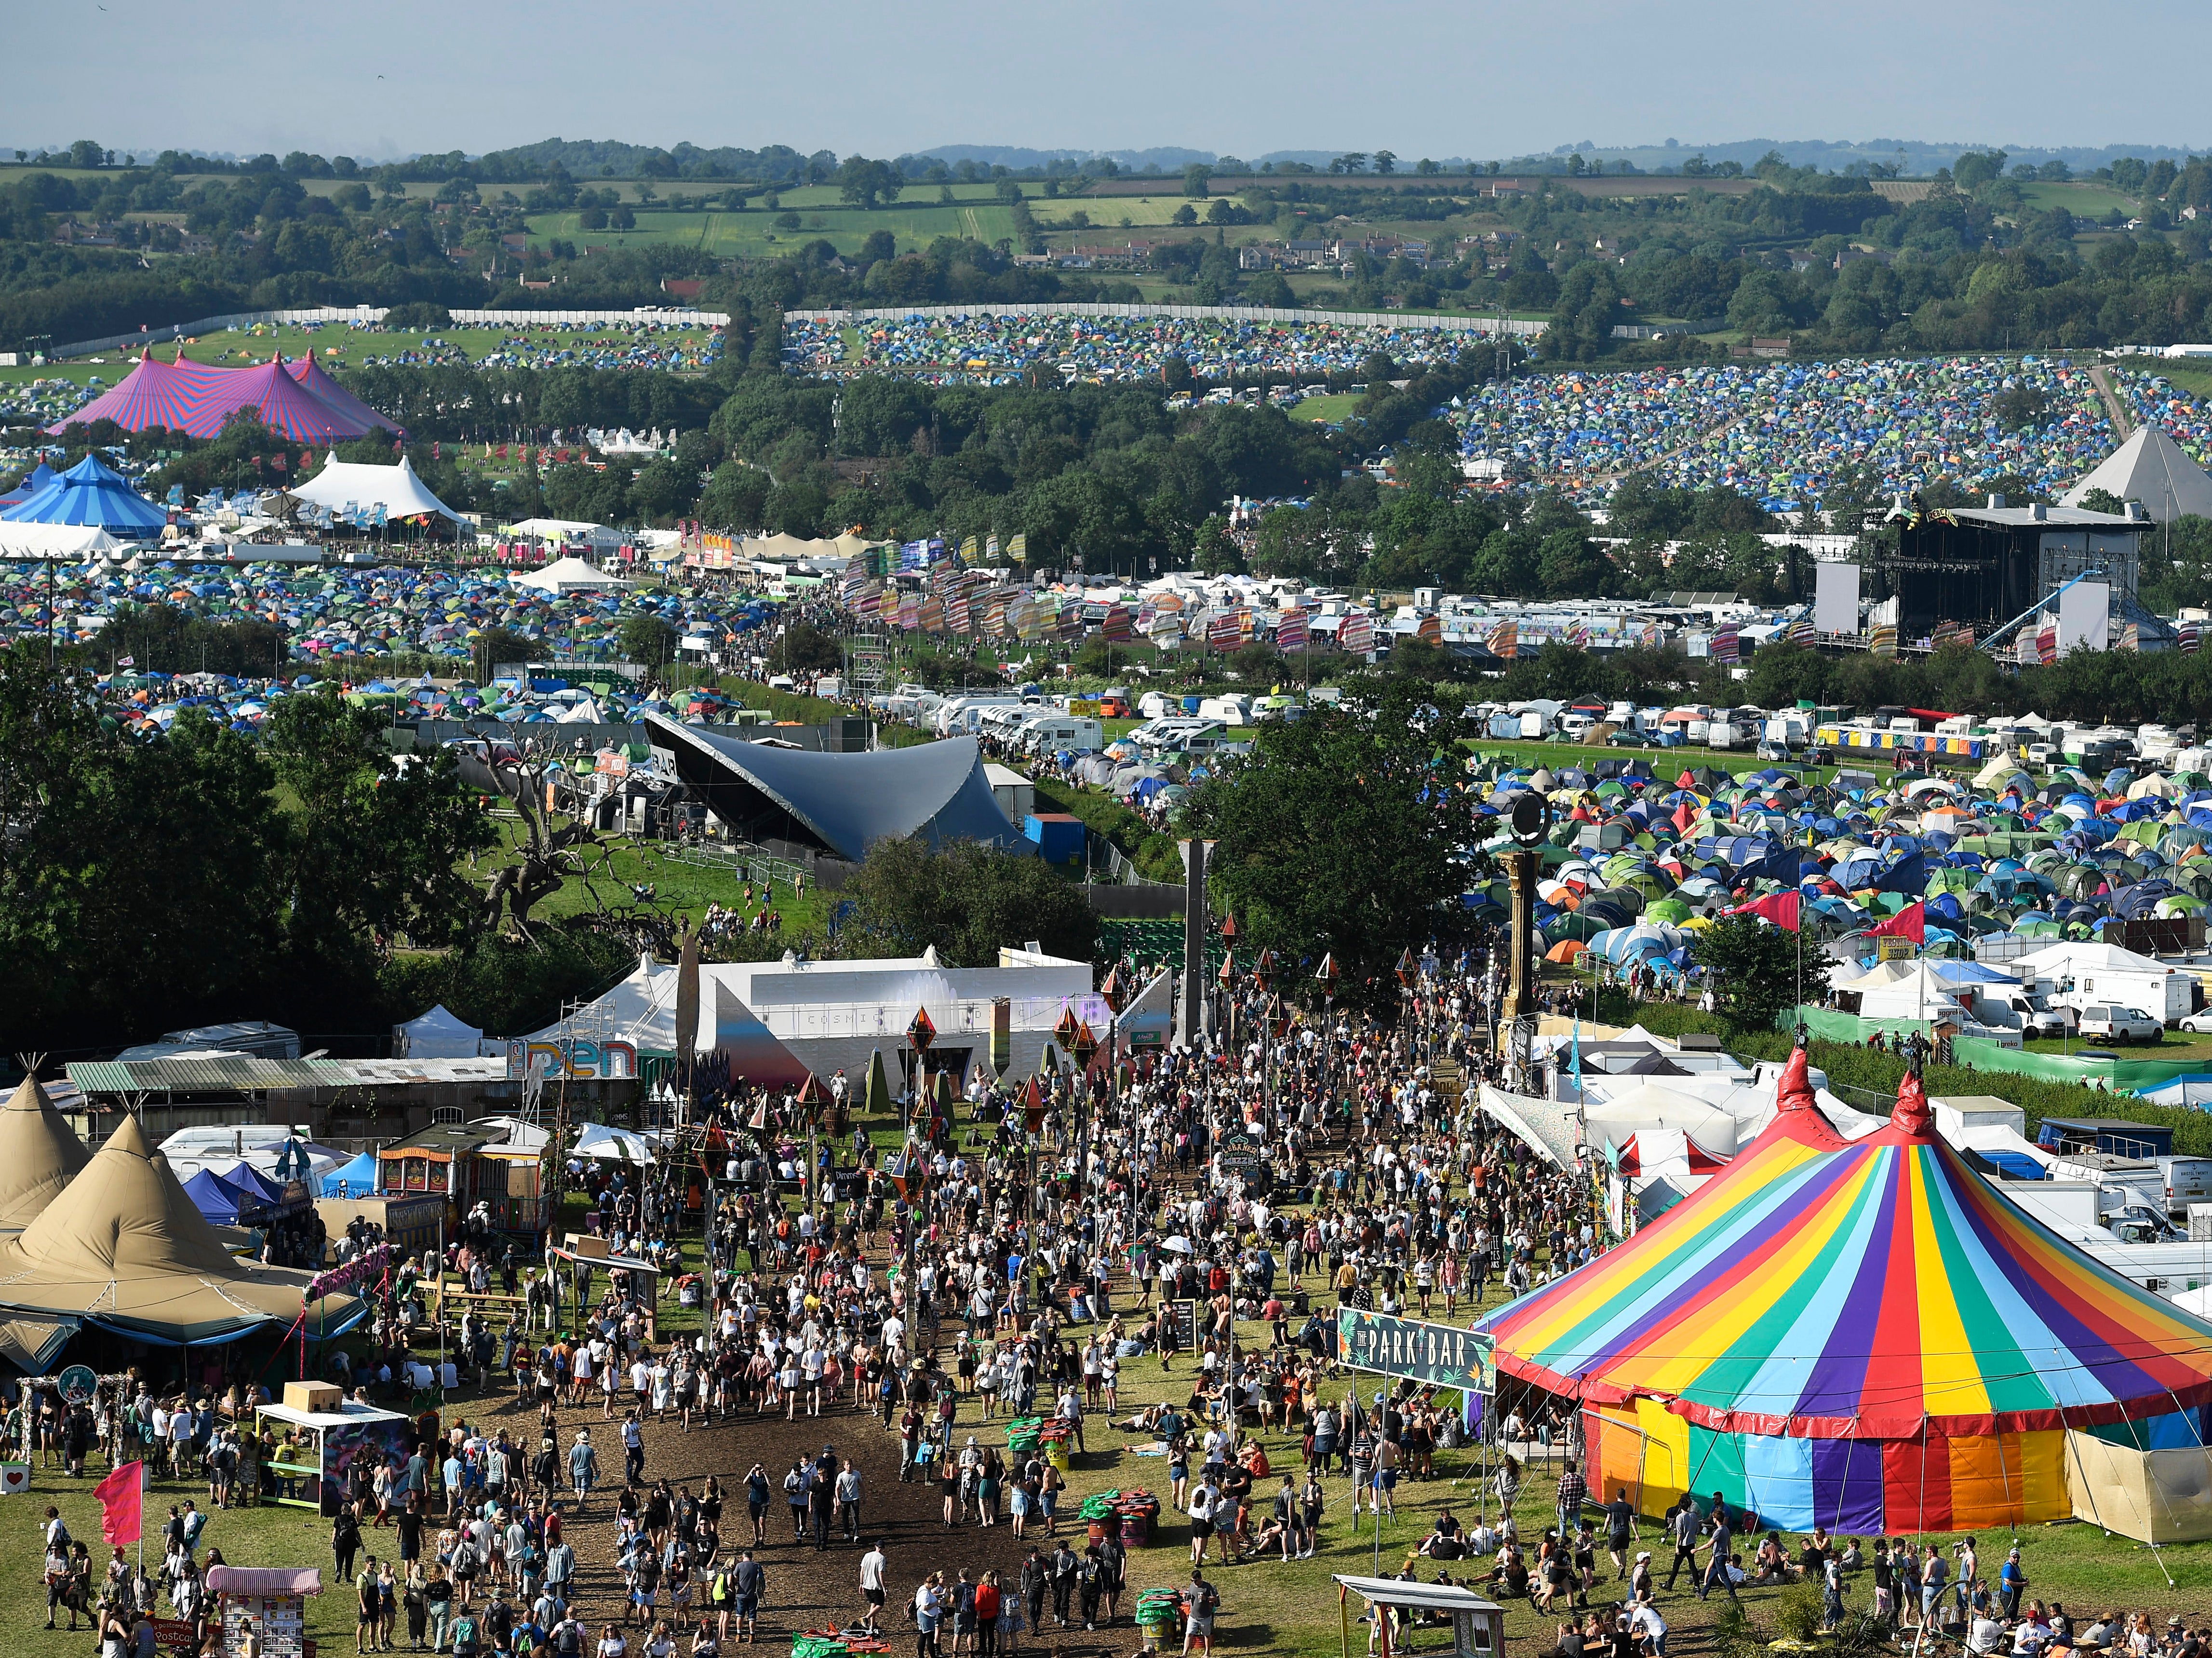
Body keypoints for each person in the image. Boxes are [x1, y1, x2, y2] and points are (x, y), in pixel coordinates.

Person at [1181, 1569, 1218, 1658]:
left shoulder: (1207, 1587)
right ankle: (1184, 1655)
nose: (1194, 1583)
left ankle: (1207, 1653)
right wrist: (1186, 1596)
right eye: (1192, 1581)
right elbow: (1190, 1594)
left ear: (1200, 1578)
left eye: (1196, 1581)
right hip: (1193, 1616)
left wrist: (1207, 1599)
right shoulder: (1192, 1586)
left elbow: (1215, 1599)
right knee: (1189, 1634)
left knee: (1207, 1635)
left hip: (1205, 1617)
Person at [858, 1540, 888, 1636]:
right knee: (880, 1605)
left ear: (875, 1546)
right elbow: (881, 1574)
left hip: (867, 1585)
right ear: (883, 1548)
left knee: (873, 1604)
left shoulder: (867, 1555)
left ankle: (872, 1626)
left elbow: (862, 1571)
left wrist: (861, 1583)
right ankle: (866, 1618)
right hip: (876, 1586)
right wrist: (884, 1587)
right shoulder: (882, 1558)